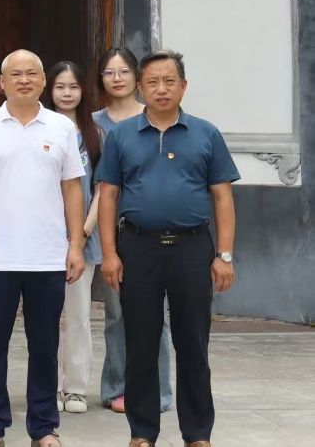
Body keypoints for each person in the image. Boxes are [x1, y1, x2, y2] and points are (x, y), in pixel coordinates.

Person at [97, 49, 239, 447]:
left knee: (193, 343)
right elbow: (108, 196)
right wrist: (109, 253)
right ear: (140, 88)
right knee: (140, 342)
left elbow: (222, 197)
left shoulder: (206, 133)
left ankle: (198, 434)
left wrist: (224, 255)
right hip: (137, 248)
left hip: (192, 249)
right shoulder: (122, 135)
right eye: (153, 82)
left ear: (183, 86)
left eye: (169, 81)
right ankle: (142, 432)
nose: (161, 89)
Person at [0, 49, 85, 447]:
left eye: (32, 73)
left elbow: (72, 189)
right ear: (2, 82)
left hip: (47, 256)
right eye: (16, 74)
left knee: (45, 346)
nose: (24, 80)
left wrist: (75, 245)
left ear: (43, 81)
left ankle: (44, 427)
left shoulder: (62, 128)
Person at [93, 47, 173, 415]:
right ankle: (117, 387)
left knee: (157, 316)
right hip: (110, 229)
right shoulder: (92, 123)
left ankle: (159, 391)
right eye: (109, 72)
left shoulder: (155, 119)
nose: (117, 78)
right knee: (117, 315)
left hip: (151, 229)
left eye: (124, 71)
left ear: (136, 79)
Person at [44, 61, 102, 416]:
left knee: (78, 316)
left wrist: (82, 231)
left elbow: (102, 188)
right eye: (60, 87)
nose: (67, 93)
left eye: (73, 87)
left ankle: (76, 388)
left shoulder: (95, 134)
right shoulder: (41, 128)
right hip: (45, 239)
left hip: (83, 239)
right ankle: (48, 387)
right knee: (47, 317)